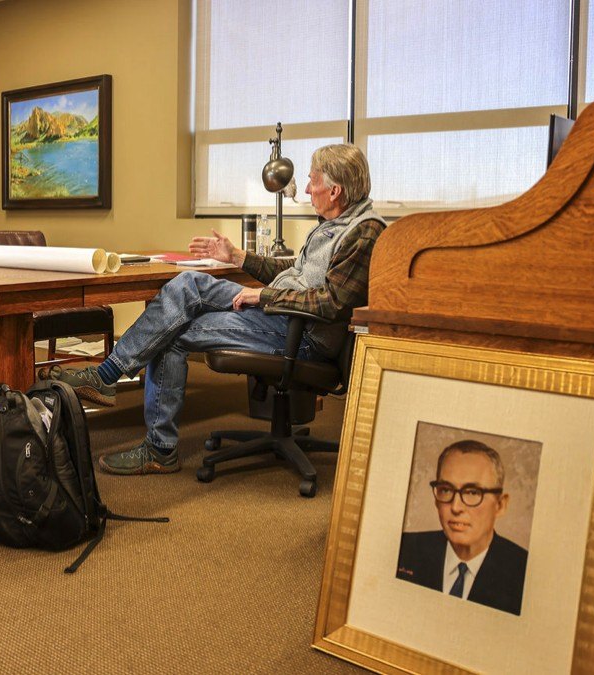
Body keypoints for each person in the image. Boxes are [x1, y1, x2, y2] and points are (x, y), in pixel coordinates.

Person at [49, 143, 386, 475]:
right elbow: (297, 271)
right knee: (189, 283)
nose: (308, 189)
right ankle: (108, 377)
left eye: (313, 181)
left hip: (303, 335)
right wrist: (237, 256)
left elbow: (331, 302)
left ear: (335, 191)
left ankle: (156, 446)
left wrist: (264, 297)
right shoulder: (333, 224)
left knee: (171, 331)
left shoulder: (364, 232)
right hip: (282, 316)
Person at [395, 440, 528, 616]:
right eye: (446, 490)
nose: (456, 507)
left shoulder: (525, 573)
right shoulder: (404, 549)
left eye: (472, 492)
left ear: (500, 505)